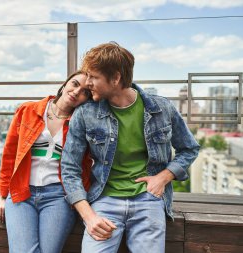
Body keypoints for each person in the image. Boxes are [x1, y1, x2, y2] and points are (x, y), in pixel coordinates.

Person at [61, 42, 200, 253]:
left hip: (148, 199)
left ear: (115, 79)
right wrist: (89, 217)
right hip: (104, 200)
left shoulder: (162, 108)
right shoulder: (85, 114)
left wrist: (163, 177)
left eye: (93, 77)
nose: (87, 83)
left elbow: (189, 148)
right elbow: (69, 168)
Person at [0, 70, 93, 253]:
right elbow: (9, 154)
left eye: (85, 92)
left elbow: (85, 165)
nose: (77, 92)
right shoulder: (28, 111)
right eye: (75, 84)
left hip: (59, 196)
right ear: (65, 85)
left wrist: (83, 201)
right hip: (22, 193)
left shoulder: (80, 124)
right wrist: (2, 195)